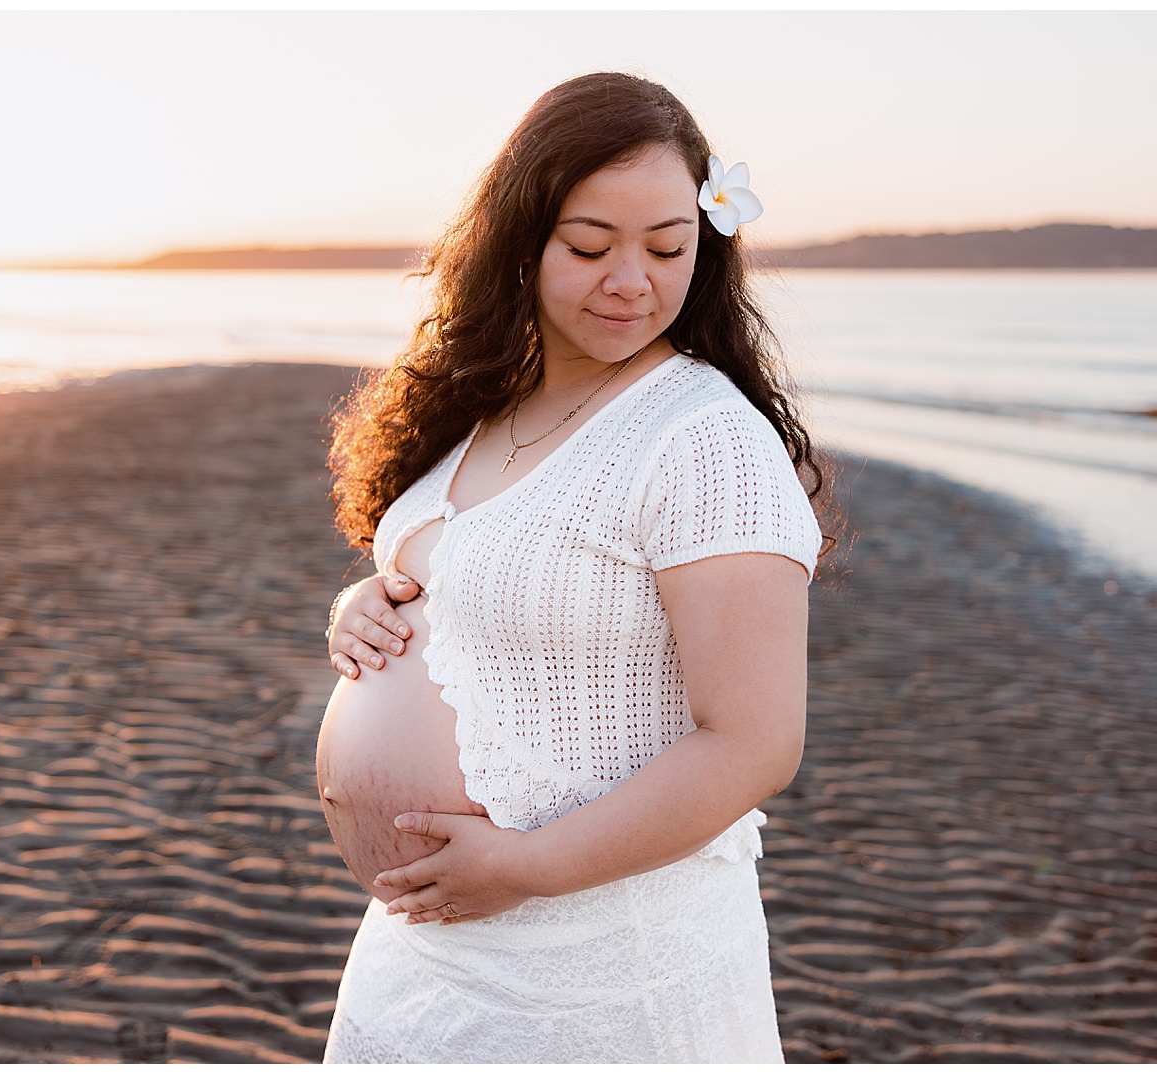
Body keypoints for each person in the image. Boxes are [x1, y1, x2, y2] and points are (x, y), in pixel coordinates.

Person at [316, 72, 825, 1063]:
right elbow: (470, 582)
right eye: (590, 247)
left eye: (667, 248)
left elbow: (756, 743)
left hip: (596, 975)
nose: (631, 280)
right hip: (422, 965)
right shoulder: (488, 405)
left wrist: (527, 867)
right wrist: (364, 609)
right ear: (522, 241)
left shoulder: (704, 439)